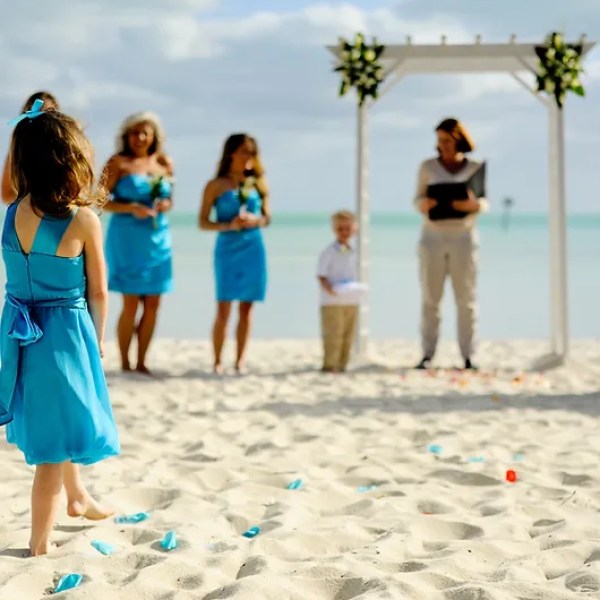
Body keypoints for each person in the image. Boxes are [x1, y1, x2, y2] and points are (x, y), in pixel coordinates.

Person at [0, 102, 120, 556]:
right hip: (64, 337)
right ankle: (38, 545)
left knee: (54, 428)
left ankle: (76, 498)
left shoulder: (11, 214)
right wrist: (99, 340)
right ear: (71, 159)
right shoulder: (82, 219)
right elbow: (100, 291)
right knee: (52, 449)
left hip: (17, 335)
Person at [101, 112, 174, 375]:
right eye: (135, 132)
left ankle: (142, 361)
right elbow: (100, 200)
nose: (140, 138)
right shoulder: (118, 162)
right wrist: (130, 207)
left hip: (158, 239)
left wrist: (165, 204)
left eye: (145, 132)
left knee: (153, 302)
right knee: (131, 302)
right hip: (127, 238)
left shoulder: (164, 162)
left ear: (154, 136)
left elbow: (170, 198)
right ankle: (125, 362)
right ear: (126, 135)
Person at [413, 117, 488, 370]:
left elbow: (484, 201)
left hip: (463, 237)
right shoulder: (427, 167)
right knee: (430, 297)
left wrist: (472, 206)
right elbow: (417, 199)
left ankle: (469, 355)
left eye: (446, 140)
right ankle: (427, 354)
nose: (442, 146)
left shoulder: (474, 167)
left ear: (458, 140)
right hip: (433, 236)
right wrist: (425, 205)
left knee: (466, 298)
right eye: (439, 141)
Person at [198, 134, 270, 374]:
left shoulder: (258, 183)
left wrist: (256, 220)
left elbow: (267, 218)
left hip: (253, 248)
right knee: (223, 307)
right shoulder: (216, 185)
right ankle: (217, 361)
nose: (248, 157)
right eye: (244, 151)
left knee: (247, 308)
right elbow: (203, 222)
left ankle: (240, 360)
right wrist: (230, 225)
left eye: (252, 152)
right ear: (231, 153)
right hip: (227, 248)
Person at [317, 210, 361, 373]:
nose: (344, 232)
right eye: (340, 229)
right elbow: (321, 275)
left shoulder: (354, 251)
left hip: (350, 299)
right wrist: (331, 290)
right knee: (333, 335)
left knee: (347, 335)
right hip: (331, 301)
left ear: (354, 229)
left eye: (347, 229)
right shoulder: (329, 251)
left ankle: (343, 364)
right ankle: (330, 365)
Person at [1, 91, 59, 205]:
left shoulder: (63, 150)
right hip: (26, 212)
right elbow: (6, 195)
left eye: (45, 115)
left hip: (53, 213)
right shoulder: (16, 151)